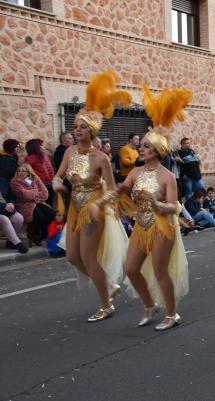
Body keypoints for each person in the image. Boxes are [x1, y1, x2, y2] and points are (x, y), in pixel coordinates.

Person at [53, 70, 131, 322]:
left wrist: (99, 204)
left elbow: (111, 189)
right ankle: (109, 283)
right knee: (72, 257)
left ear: (93, 129)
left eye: (82, 127)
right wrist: (56, 184)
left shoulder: (102, 158)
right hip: (75, 208)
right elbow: (58, 175)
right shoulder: (69, 153)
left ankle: (106, 303)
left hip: (94, 210)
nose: (77, 130)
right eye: (75, 126)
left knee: (88, 256)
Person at [117, 85, 190, 331]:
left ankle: (172, 313)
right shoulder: (136, 172)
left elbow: (174, 207)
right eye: (142, 146)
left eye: (146, 147)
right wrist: (113, 192)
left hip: (162, 228)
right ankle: (149, 304)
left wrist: (156, 203)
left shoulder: (167, 176)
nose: (141, 148)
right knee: (130, 268)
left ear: (158, 152)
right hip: (141, 226)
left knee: (160, 271)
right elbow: (123, 188)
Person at [11, 164, 55, 245]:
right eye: (18, 171)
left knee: (51, 213)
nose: (20, 172)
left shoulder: (30, 179)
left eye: (23, 171)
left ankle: (42, 235)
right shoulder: (14, 182)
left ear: (28, 173)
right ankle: (38, 236)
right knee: (40, 217)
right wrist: (35, 192)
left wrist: (34, 197)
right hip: (24, 206)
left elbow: (45, 193)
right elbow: (25, 196)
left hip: (37, 202)